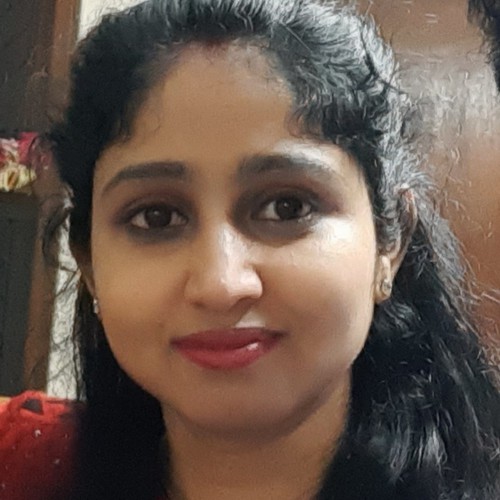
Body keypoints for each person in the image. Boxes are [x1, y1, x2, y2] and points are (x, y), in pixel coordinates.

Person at [1, 0, 499, 498]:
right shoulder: (23, 470)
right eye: (156, 217)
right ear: (89, 263)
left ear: (391, 241)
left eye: (287, 207)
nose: (221, 284)